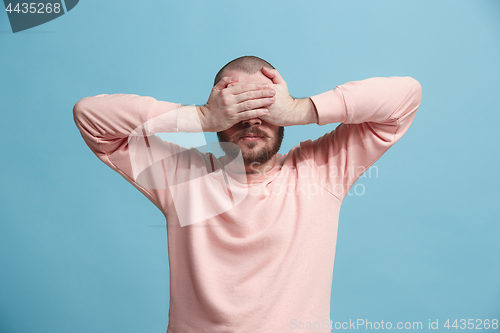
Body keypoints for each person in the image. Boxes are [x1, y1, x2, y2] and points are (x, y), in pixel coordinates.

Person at [73, 55, 422, 333]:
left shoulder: (321, 170)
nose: (252, 120)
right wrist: (199, 116)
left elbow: (406, 96)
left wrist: (300, 109)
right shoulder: (183, 177)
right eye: (239, 108)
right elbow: (90, 117)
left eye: (266, 108)